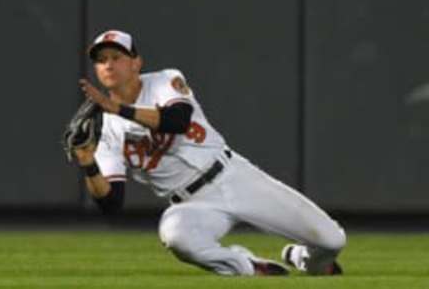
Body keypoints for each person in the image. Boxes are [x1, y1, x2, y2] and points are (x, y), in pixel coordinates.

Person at [74, 29, 346, 276]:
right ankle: (246, 265)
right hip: (193, 205)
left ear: (136, 63)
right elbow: (111, 203)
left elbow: (178, 120)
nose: (108, 64)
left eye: (116, 57)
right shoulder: (108, 130)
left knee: (333, 240)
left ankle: (304, 258)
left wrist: (118, 109)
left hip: (233, 177)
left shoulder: (165, 80)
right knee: (176, 235)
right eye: (101, 60)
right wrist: (89, 164)